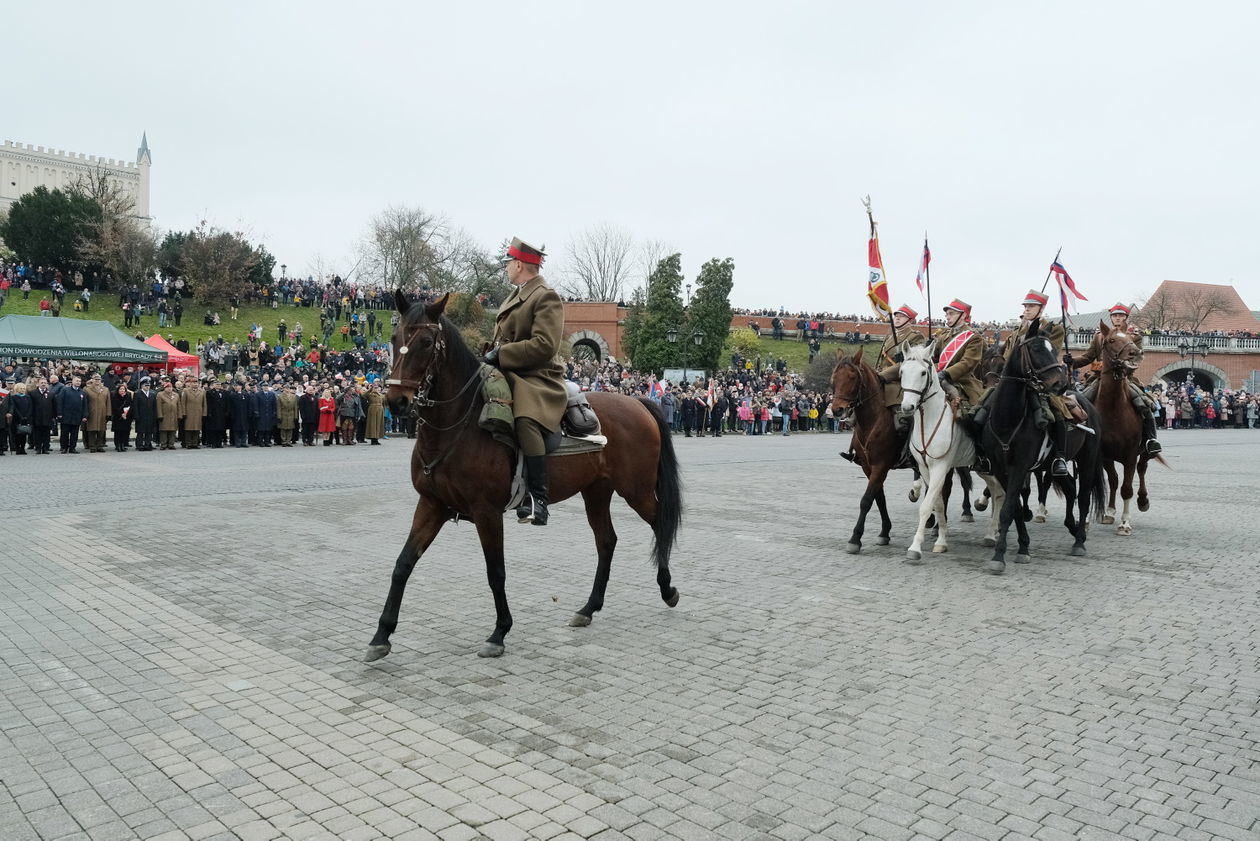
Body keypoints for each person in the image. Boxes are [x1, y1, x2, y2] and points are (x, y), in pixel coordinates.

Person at [483, 237, 566, 526]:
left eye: (508, 263)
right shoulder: (518, 294)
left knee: (525, 419)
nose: (505, 268)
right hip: (508, 370)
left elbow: (545, 345)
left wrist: (502, 353)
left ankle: (538, 497)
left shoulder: (545, 295)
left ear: (519, 264)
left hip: (535, 376)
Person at [1070, 303, 1162, 455]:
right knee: (1080, 402)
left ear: (1126, 318)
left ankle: (1151, 439)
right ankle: (1077, 440)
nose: (1117, 318)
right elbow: (1088, 357)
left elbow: (1136, 358)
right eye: (1115, 315)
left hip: (1125, 378)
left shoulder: (1134, 337)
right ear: (1111, 317)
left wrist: (1126, 366)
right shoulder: (1099, 336)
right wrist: (1071, 361)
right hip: (1099, 378)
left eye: (1121, 316)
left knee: (1144, 404)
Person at [56, 375, 87, 453]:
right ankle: (64, 447)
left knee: (74, 434)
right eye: (76, 381)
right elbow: (59, 402)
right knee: (64, 433)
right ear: (72, 381)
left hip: (77, 416)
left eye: (79, 381)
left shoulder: (82, 392)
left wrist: (85, 415)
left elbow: (85, 405)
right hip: (66, 416)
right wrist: (59, 413)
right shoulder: (65, 390)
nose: (78, 382)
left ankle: (72, 448)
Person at [83, 374, 111, 453]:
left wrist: (108, 413)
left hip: (102, 412)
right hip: (92, 412)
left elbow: (108, 402)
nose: (97, 381)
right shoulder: (87, 389)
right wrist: (85, 413)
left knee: (101, 430)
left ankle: (99, 445)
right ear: (92, 380)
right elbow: (85, 402)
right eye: (95, 379)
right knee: (92, 430)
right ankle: (92, 446)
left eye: (98, 379)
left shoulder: (106, 389)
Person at [133, 377, 159, 451]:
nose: (147, 387)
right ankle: (139, 445)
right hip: (141, 416)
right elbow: (135, 406)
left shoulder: (152, 394)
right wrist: (136, 416)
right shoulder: (137, 393)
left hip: (150, 415)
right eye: (145, 385)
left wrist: (155, 416)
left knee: (149, 431)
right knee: (140, 432)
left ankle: (147, 445)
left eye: (148, 385)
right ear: (142, 386)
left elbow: (154, 406)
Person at [181, 377, 207, 448]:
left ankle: (195, 443)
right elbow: (183, 403)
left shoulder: (202, 391)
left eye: (196, 383)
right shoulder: (186, 391)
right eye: (193, 383)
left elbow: (204, 403)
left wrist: (204, 413)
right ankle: (189, 443)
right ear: (190, 383)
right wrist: (183, 413)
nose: (195, 384)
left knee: (197, 429)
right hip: (189, 413)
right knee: (188, 429)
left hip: (198, 413)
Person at [7, 382, 33, 454]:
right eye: (21, 388)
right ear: (17, 389)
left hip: (26, 418)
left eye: (24, 388)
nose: (22, 390)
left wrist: (27, 416)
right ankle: (17, 448)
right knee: (17, 434)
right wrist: (20, 416)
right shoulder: (14, 397)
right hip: (17, 418)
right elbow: (14, 408)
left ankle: (22, 448)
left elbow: (30, 407)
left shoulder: (28, 397)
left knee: (24, 434)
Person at [156, 381, 181, 450]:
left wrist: (179, 415)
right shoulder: (160, 394)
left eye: (170, 387)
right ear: (164, 388)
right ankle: (163, 444)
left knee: (173, 430)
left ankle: (171, 444)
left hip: (173, 415)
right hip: (164, 415)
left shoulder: (176, 395)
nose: (169, 388)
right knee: (164, 430)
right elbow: (159, 406)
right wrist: (160, 415)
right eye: (167, 387)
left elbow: (179, 406)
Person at [110, 383, 133, 451]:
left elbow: (130, 406)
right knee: (118, 432)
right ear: (118, 390)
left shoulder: (128, 396)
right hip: (118, 417)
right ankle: (117, 445)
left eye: (123, 389)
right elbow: (114, 407)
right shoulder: (115, 396)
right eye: (121, 389)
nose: (122, 390)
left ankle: (123, 444)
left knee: (124, 432)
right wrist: (121, 414)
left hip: (126, 417)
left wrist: (126, 414)